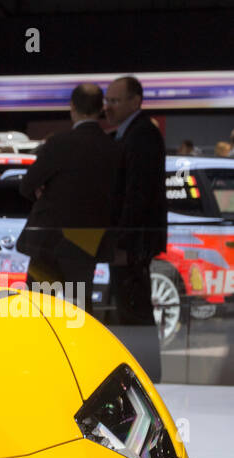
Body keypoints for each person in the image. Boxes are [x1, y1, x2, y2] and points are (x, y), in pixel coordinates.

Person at [17, 83, 116, 313]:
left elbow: (26, 185)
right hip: (87, 243)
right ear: (101, 108)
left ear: (72, 106)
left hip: (48, 242)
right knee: (80, 313)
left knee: (39, 313)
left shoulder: (59, 143)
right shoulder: (114, 149)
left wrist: (44, 194)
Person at [104, 75, 166, 333]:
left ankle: (147, 372)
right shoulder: (129, 133)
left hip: (132, 246)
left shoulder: (142, 134)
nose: (107, 106)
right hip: (129, 244)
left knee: (134, 316)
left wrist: (123, 242)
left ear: (135, 101)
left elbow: (137, 194)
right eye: (107, 100)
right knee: (128, 314)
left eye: (115, 100)